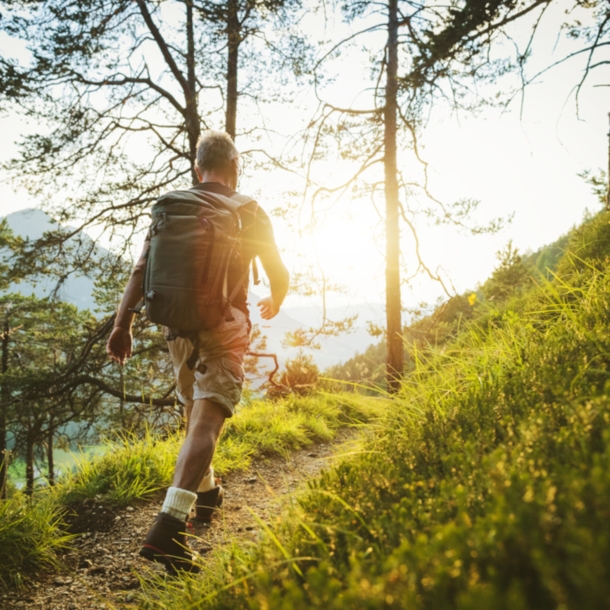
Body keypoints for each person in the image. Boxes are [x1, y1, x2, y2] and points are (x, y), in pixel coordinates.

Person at [105, 130, 289, 573]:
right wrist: (275, 299)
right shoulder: (248, 210)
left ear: (197, 167)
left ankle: (207, 494)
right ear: (235, 168)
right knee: (207, 421)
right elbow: (278, 272)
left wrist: (121, 325)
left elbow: (141, 269)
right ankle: (169, 526)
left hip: (177, 326)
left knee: (193, 413)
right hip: (224, 326)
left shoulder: (170, 206)